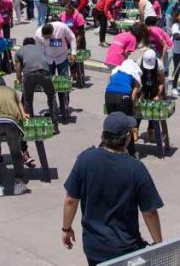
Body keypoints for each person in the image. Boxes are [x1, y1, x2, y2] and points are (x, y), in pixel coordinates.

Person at [62, 112, 164, 265]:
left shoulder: (85, 159)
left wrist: (66, 229)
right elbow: (149, 212)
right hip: (125, 250)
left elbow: (70, 200)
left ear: (103, 136)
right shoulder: (136, 168)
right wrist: (159, 246)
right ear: (128, 137)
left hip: (94, 248)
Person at [0, 74, 31, 197]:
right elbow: (20, 108)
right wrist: (24, 115)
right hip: (12, 123)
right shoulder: (11, 91)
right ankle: (18, 184)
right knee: (15, 152)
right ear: (3, 84)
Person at [15, 37, 59, 131]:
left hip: (28, 75)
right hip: (44, 72)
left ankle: (29, 125)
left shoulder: (20, 51)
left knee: (28, 100)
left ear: (24, 44)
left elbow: (18, 67)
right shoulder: (40, 49)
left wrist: (19, 79)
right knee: (51, 96)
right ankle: (55, 124)